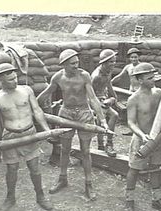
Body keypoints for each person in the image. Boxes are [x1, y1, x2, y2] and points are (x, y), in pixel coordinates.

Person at [37, 49, 108, 200]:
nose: (76, 65)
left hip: (83, 113)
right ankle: (62, 179)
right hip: (66, 113)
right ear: (64, 65)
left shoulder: (84, 76)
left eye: (77, 62)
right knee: (64, 150)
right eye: (72, 63)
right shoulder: (57, 77)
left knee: (86, 152)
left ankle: (88, 184)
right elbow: (46, 93)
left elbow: (93, 99)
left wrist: (102, 120)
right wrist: (33, 105)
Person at [0, 63, 53, 211]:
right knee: (12, 169)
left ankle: (40, 196)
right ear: (1, 80)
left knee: (34, 167)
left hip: (29, 133)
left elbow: (37, 110)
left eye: (15, 77)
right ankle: (10, 197)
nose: (15, 81)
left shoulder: (26, 90)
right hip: (10, 136)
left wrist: (46, 130)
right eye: (10, 79)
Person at [124, 62, 161, 211]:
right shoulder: (133, 99)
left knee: (156, 168)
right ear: (140, 79)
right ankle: (129, 201)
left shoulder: (159, 93)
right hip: (141, 140)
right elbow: (130, 122)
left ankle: (157, 199)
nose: (153, 80)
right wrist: (142, 135)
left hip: (157, 140)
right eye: (149, 78)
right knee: (134, 169)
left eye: (153, 76)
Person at [91, 49, 119, 157]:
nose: (113, 64)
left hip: (103, 99)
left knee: (115, 115)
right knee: (101, 119)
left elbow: (109, 86)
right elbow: (90, 94)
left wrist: (114, 98)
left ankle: (109, 142)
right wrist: (99, 105)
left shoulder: (108, 71)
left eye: (114, 61)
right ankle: (101, 144)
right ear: (104, 62)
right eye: (111, 62)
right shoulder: (96, 76)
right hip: (95, 101)